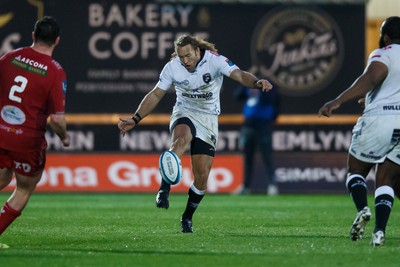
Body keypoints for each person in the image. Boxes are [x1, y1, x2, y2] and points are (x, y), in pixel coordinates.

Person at [118, 35, 273, 233]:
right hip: (184, 110)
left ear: (198, 51)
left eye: (188, 55)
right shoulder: (172, 67)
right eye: (181, 56)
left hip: (208, 118)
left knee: (201, 176)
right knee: (181, 139)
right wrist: (135, 118)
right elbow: (156, 93)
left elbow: (240, 75)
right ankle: (164, 189)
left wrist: (257, 82)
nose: (185, 60)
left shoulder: (215, 61)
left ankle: (187, 217)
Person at [318, 16, 400, 246]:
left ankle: (363, 209)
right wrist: (373, 98)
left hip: (381, 119)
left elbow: (372, 77)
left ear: (385, 36)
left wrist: (338, 100)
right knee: (386, 178)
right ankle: (380, 233)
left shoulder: (384, 52)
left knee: (356, 170)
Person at [0, 16, 70, 249]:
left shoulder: (10, 57)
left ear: (33, 35)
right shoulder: (54, 71)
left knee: (2, 177)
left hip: (1, 132)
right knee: (24, 188)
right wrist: (64, 137)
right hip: (27, 141)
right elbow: (57, 119)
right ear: (57, 41)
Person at [234, 66, 280, 195]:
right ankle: (246, 186)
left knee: (267, 156)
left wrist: (261, 88)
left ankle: (272, 185)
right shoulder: (249, 87)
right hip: (249, 125)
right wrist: (248, 83)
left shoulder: (271, 87)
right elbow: (237, 96)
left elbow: (273, 103)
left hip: (264, 125)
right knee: (247, 157)